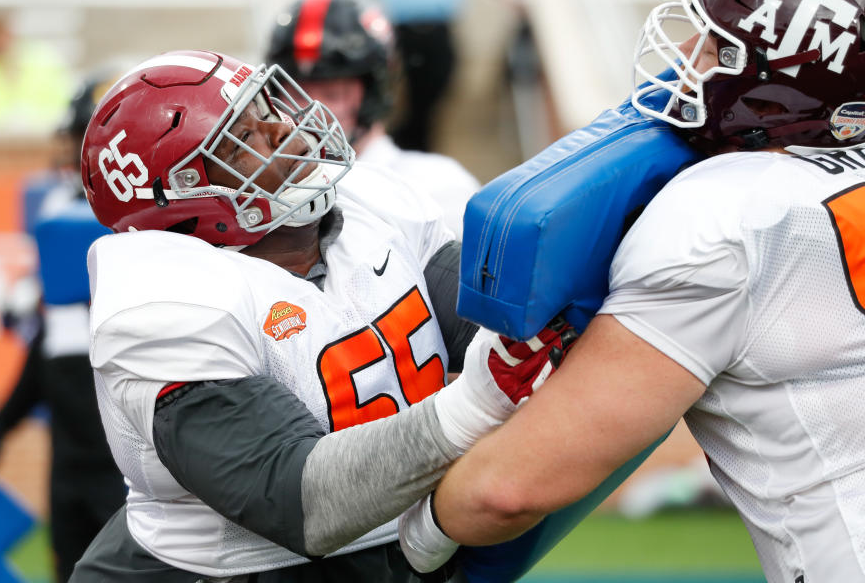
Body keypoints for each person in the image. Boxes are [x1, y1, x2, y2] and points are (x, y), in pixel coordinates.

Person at [399, 0, 865, 581]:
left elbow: (510, 489)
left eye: (711, 44)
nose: (687, 61)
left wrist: (415, 540)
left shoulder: (724, 217)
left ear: (771, 81)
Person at [69, 49, 577, 582]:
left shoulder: (372, 203)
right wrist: (474, 402)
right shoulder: (165, 304)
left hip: (384, 551)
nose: (285, 127)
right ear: (191, 197)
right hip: (231, 570)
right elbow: (301, 503)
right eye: (244, 137)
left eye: (268, 108)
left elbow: (500, 324)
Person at [0, 71, 127, 583]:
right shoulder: (61, 221)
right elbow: (45, 360)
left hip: (127, 458)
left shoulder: (140, 227)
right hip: (71, 458)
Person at [265, 0, 481, 240]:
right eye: (296, 91)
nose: (311, 109)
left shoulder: (437, 186)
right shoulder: (265, 189)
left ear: (373, 94)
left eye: (333, 93)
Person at [359, 0, 497, 152]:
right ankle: (412, 140)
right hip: (404, 33)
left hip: (441, 31)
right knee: (407, 90)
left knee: (440, 82)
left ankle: (412, 136)